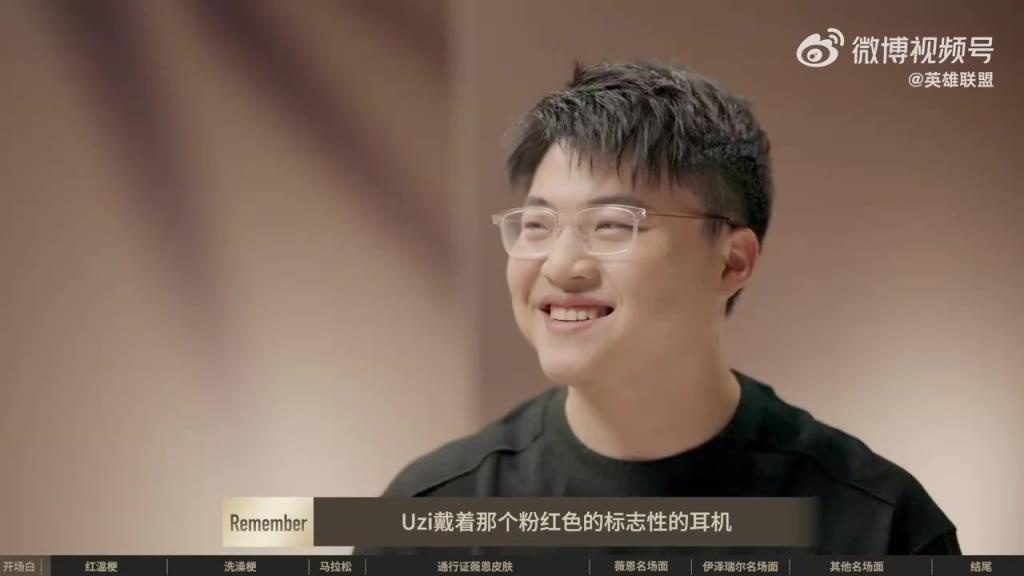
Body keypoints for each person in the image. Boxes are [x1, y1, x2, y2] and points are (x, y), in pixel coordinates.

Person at [358, 62, 959, 555]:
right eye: (537, 225)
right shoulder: (430, 516)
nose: (561, 266)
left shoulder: (880, 528)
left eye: (612, 224)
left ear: (732, 262)